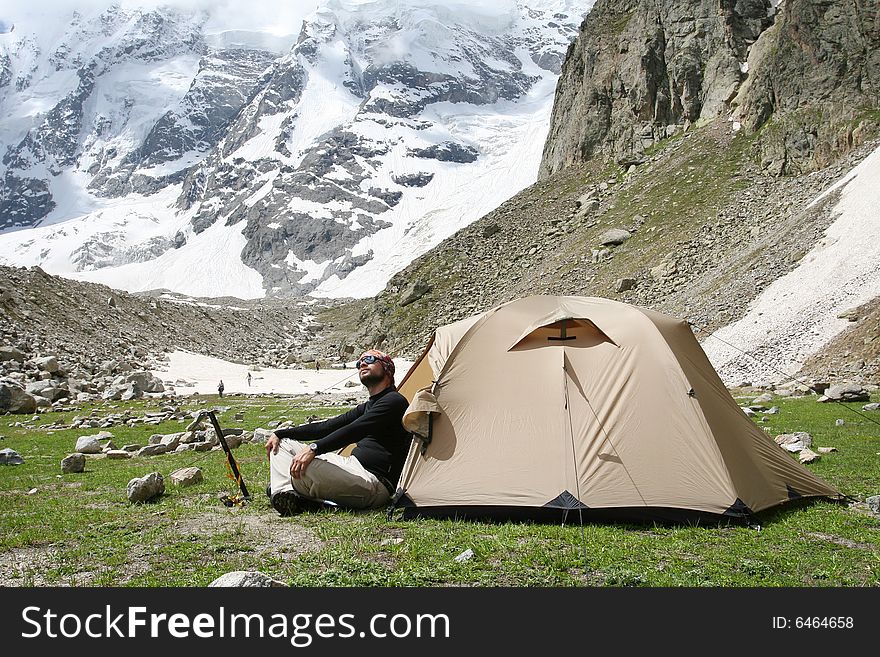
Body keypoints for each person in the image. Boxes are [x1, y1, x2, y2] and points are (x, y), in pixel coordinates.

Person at [265, 349, 411, 516]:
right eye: (359, 362)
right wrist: (280, 433)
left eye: (370, 359)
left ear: (387, 368)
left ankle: (289, 489)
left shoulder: (394, 401)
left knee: (305, 467)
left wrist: (314, 448)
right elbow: (327, 427)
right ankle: (286, 494)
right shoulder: (367, 406)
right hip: (351, 467)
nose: (362, 364)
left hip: (375, 483)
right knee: (284, 444)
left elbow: (355, 430)